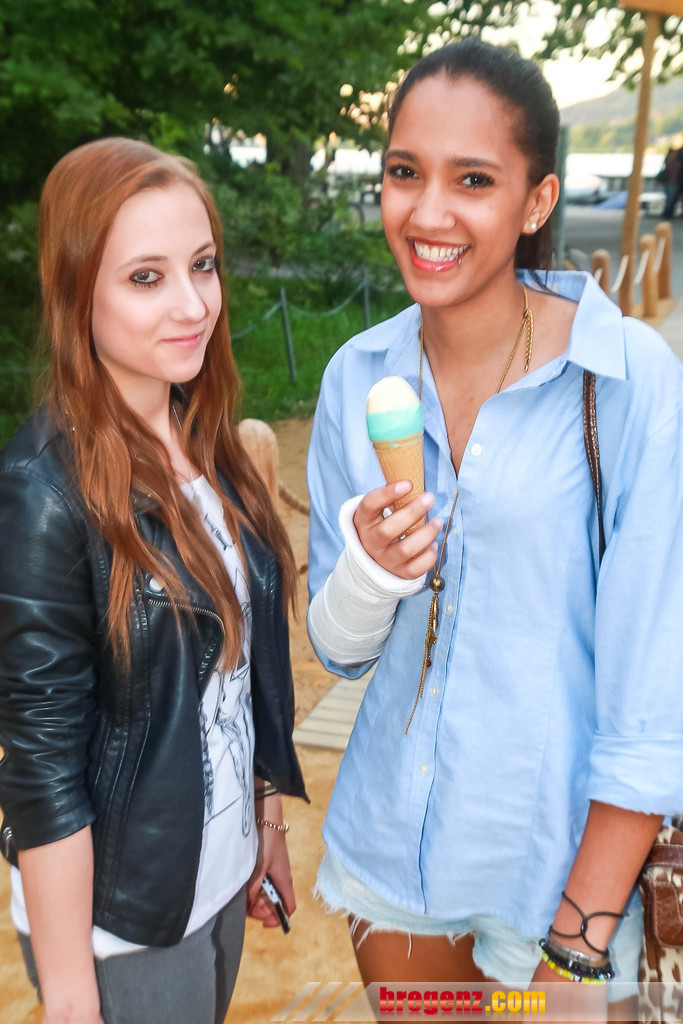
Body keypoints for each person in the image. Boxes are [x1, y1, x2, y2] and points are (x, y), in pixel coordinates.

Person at [306, 36, 683, 1019]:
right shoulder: (356, 376)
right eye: (404, 172)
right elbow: (338, 651)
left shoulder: (625, 380)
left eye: (471, 179)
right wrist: (371, 574)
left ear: (535, 201)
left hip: (552, 881)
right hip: (391, 859)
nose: (426, 212)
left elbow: (652, 695)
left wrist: (579, 944)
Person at [0, 137, 307, 1024]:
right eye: (146, 277)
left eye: (202, 266)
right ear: (76, 291)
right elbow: (42, 770)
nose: (193, 304)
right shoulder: (42, 494)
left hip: (216, 879)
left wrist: (264, 825)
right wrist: (71, 998)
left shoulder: (206, 438)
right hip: (122, 930)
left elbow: (240, 668)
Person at [661, 146, 682, 220]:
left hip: (671, 182)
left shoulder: (670, 158)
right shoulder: (675, 160)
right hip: (673, 182)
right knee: (670, 199)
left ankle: (667, 214)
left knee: (670, 199)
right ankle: (667, 214)